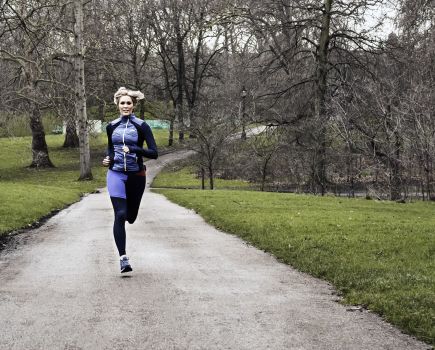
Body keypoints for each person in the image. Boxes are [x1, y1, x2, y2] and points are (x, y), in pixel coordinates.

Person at [102, 87, 158, 273]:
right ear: (118, 105)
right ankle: (123, 258)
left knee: (130, 217)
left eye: (128, 103)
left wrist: (134, 149)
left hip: (136, 175)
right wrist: (107, 159)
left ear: (133, 105)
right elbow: (111, 148)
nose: (125, 106)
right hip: (116, 173)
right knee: (119, 214)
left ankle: (129, 217)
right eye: (122, 103)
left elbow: (154, 153)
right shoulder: (111, 126)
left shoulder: (142, 126)